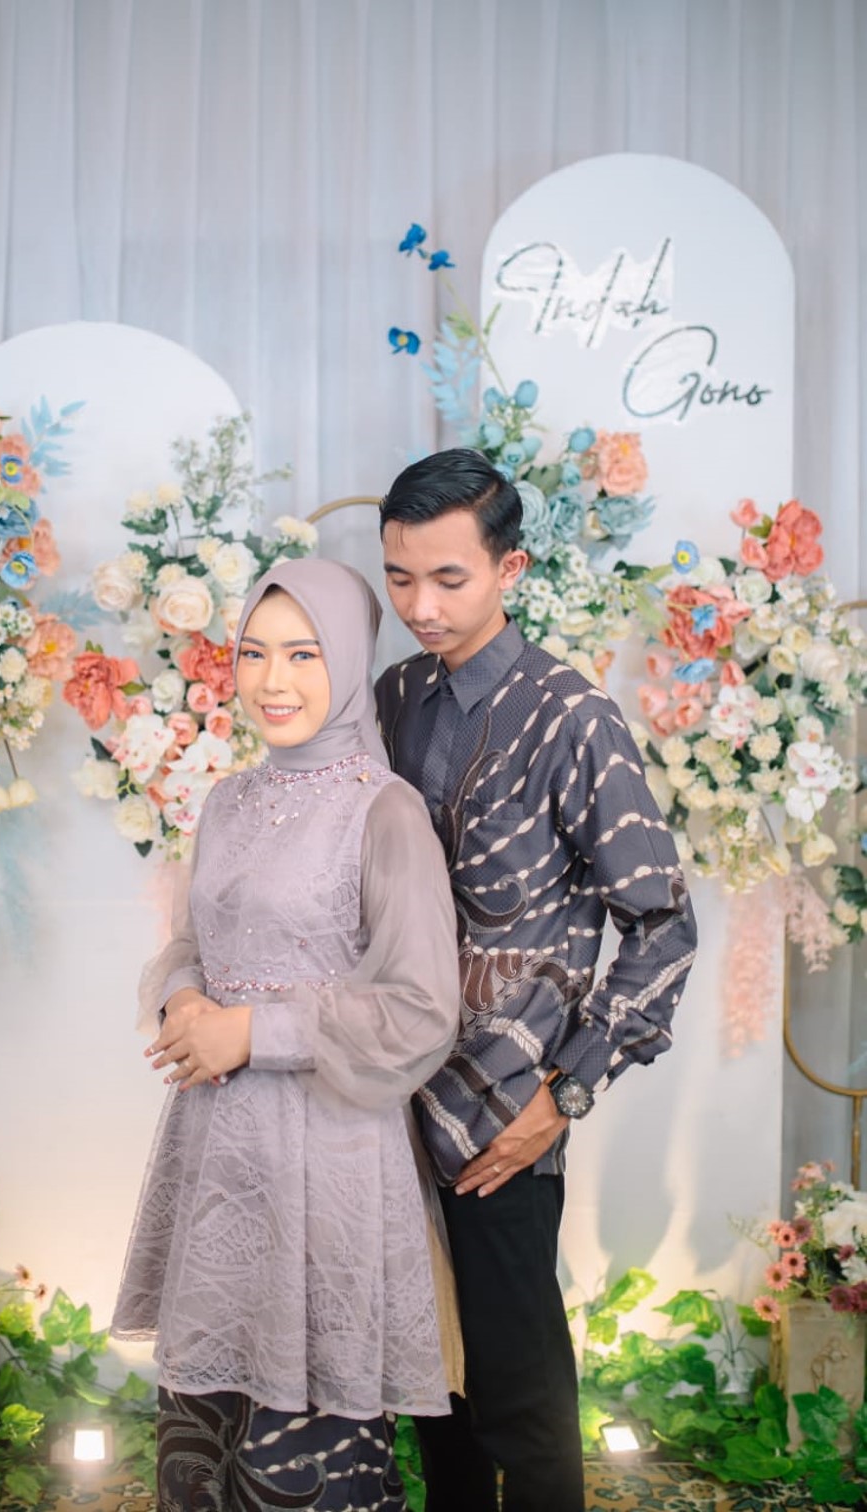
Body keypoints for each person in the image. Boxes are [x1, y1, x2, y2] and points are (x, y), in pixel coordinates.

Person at [374, 448, 699, 1512]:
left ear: (510, 569)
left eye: (448, 578)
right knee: (431, 1382)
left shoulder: (573, 717)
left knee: (520, 1396)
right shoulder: (394, 697)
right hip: (387, 1097)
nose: (421, 606)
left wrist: (564, 1096)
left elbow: (662, 925)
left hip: (504, 1112)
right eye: (400, 577)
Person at [112, 556, 461, 1511]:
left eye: (305, 654)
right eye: (255, 653)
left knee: (304, 1456)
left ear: (348, 660)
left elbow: (422, 1008)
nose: (274, 681)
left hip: (329, 1156)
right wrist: (183, 999)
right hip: (218, 1149)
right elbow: (192, 941)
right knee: (207, 1439)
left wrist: (252, 1034)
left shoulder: (385, 811)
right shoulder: (228, 801)